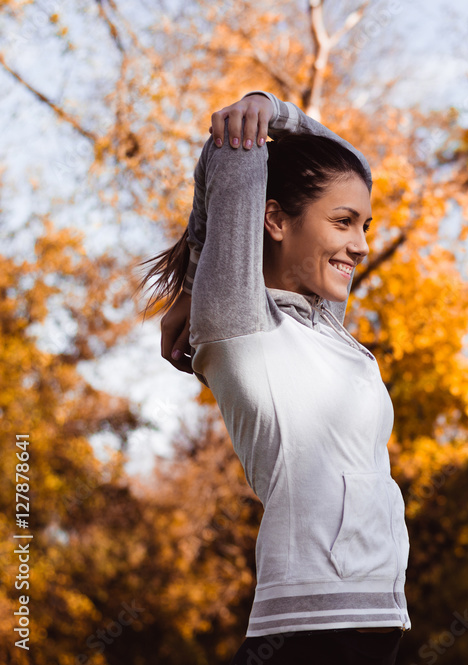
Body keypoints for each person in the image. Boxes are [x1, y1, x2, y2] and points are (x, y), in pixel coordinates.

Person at [138, 91, 410, 665]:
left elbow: (344, 157)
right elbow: (233, 148)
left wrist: (279, 112)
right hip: (311, 630)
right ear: (275, 219)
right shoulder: (244, 322)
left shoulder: (325, 324)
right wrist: (194, 283)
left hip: (377, 622)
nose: (360, 245)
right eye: (342, 222)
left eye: (364, 224)